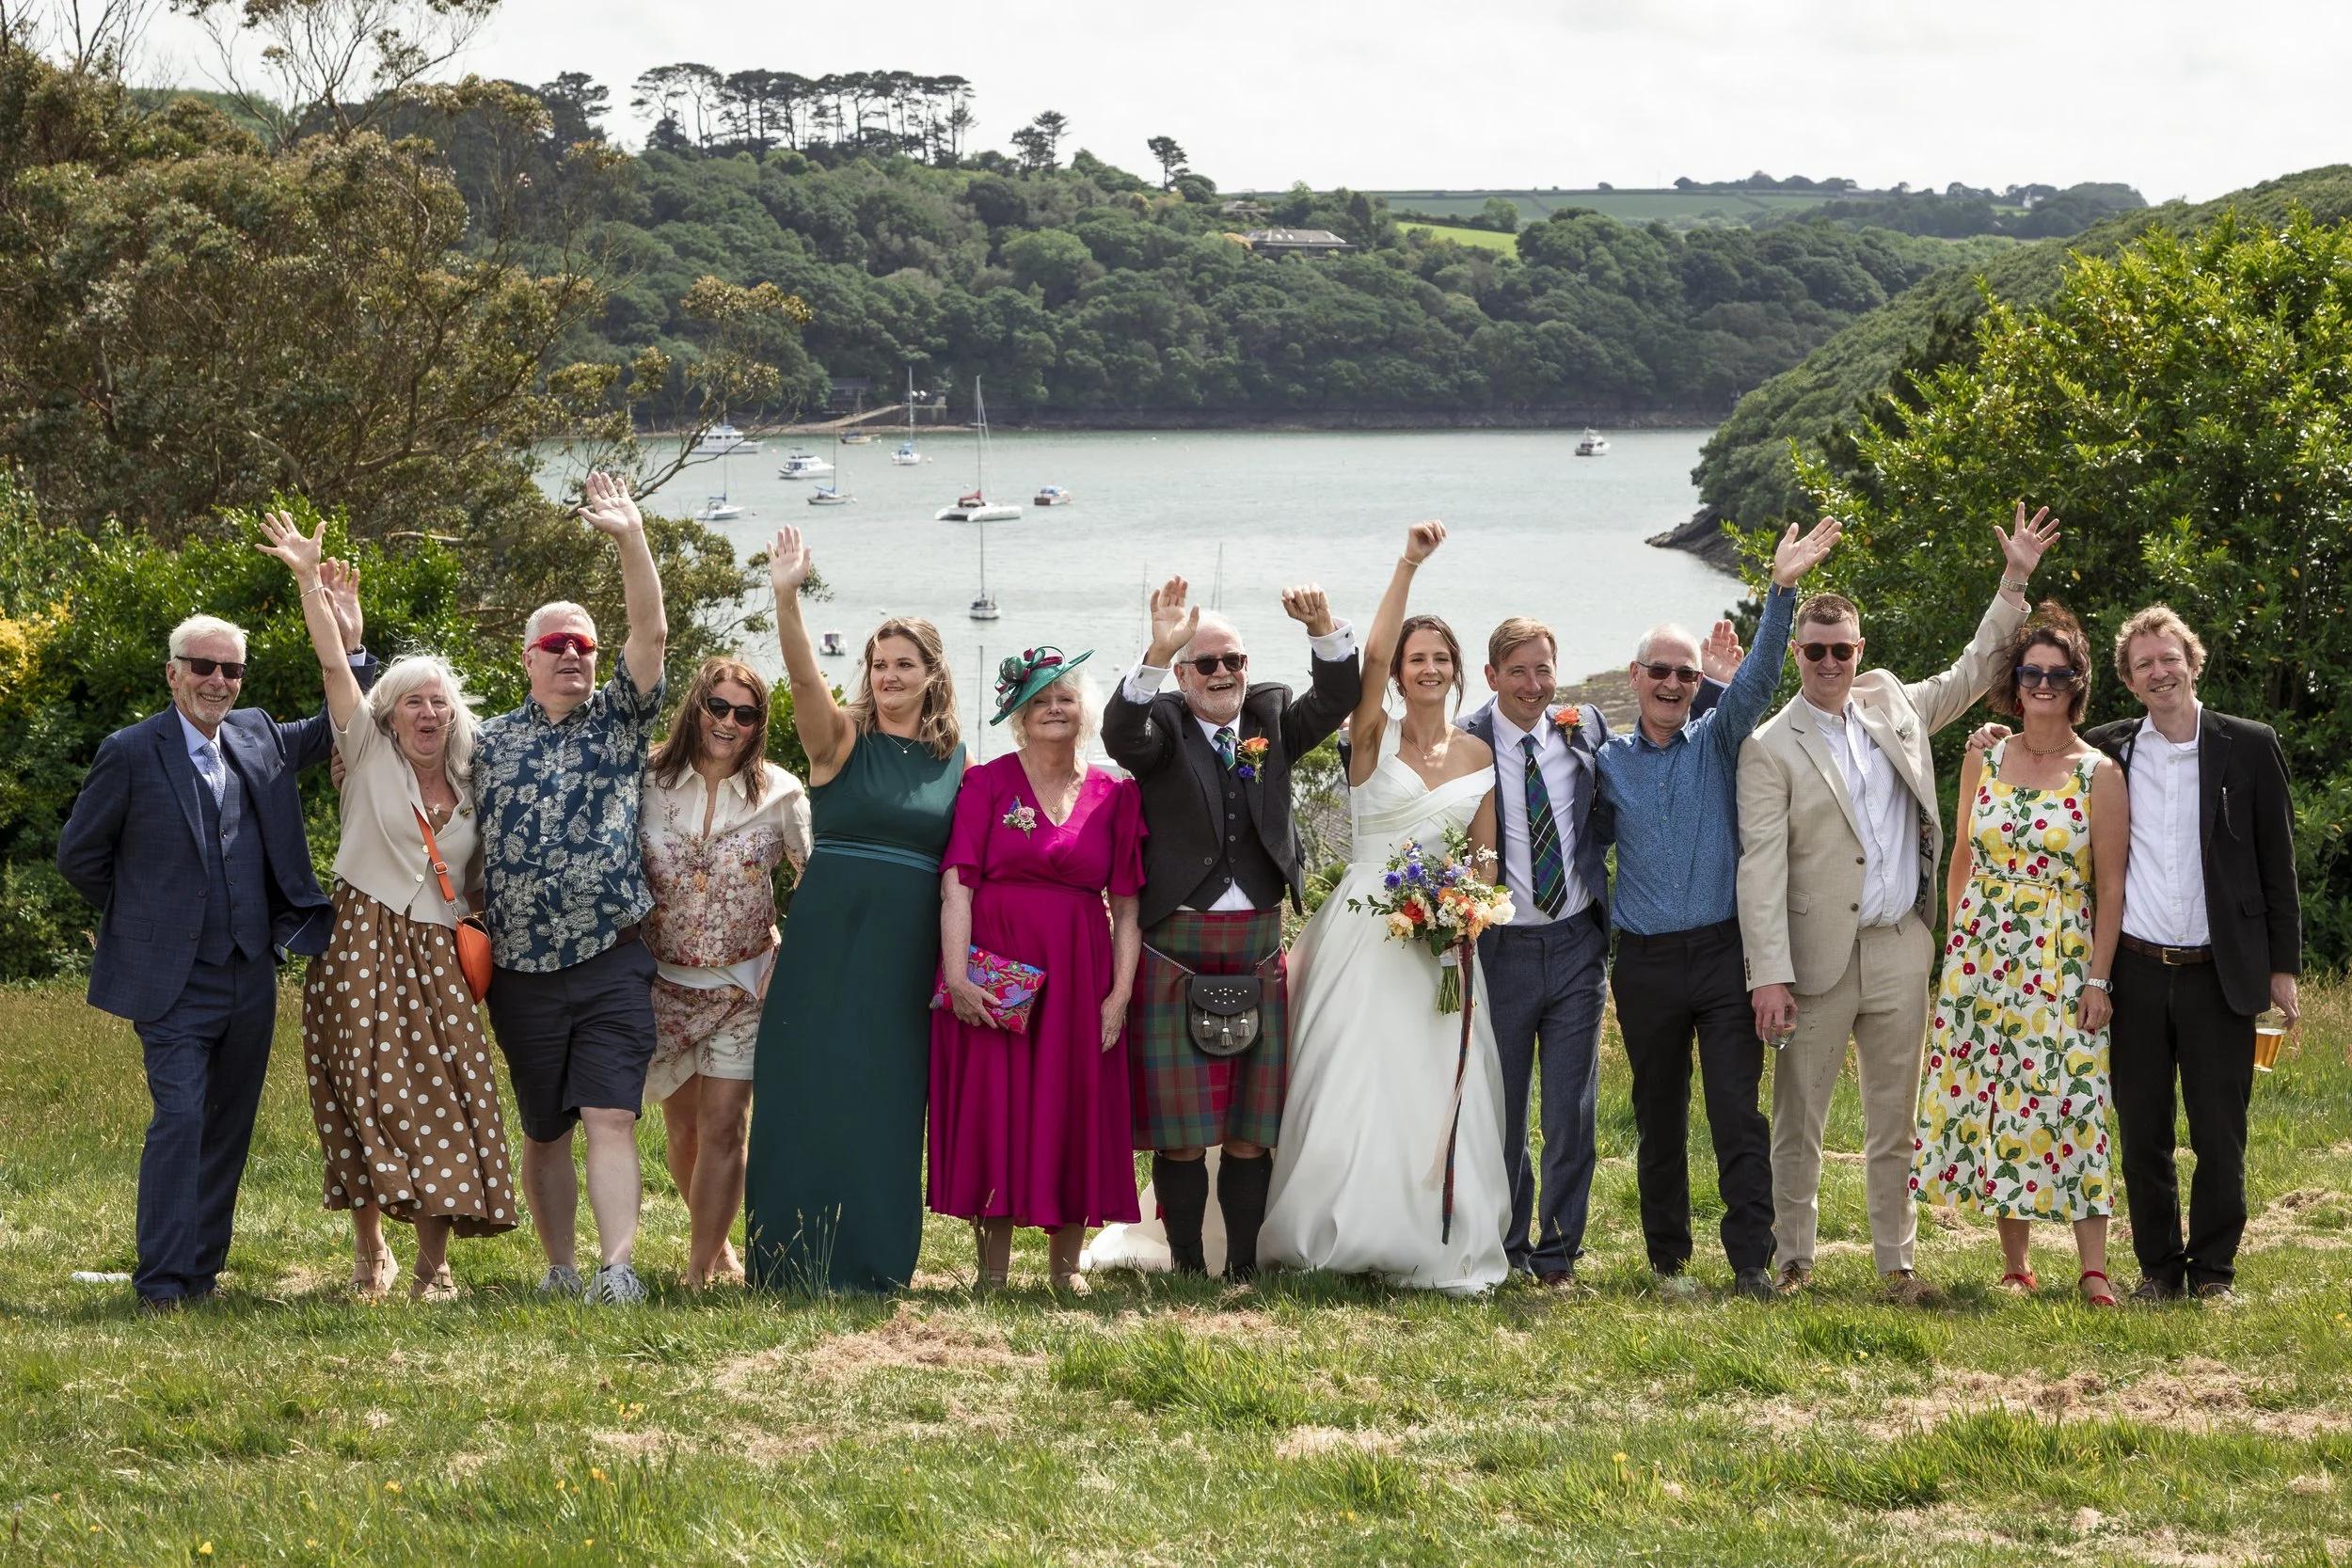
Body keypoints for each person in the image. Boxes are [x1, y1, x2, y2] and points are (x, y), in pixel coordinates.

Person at [1736, 504, 2057, 1304]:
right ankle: (1795, 1261)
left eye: (1842, 649)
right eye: (1814, 650)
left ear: (1860, 651)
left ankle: (1896, 1266)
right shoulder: (1770, 745)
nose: (1829, 662)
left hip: (1899, 943)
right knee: (1798, 1119)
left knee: (1895, 1118)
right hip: (1811, 957)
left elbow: (1977, 669)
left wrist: (2015, 578)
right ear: (1799, 655)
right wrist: (1766, 975)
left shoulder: (1893, 705)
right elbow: (1760, 869)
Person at [56, 587, 377, 1315]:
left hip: (249, 975)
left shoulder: (259, 733)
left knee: (228, 1123)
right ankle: (161, 1283)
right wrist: (143, 916)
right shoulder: (131, 751)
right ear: (173, 673)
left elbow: (342, 723)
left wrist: (351, 652)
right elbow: (79, 856)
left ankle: (200, 1271)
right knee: (180, 1117)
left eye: (231, 670)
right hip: (170, 981)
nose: (218, 681)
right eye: (203, 666)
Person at [1975, 607, 2301, 1302]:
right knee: (2142, 1133)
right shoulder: (2109, 751)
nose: (2160, 671)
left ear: (2193, 659)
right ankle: (2158, 1270)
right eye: (2144, 663)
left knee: (2221, 1135)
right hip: (2136, 971)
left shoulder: (2247, 745)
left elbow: (2279, 863)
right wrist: (1997, 733)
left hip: (2222, 973)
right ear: (2127, 678)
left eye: (2169, 657)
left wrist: (2284, 968)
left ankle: (2212, 1272)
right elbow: (2044, 745)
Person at [249, 512, 516, 1300]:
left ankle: (434, 1267)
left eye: (439, 703)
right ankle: (371, 1249)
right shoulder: (364, 755)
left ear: (453, 713)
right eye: (412, 704)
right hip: (358, 940)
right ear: (390, 715)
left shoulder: (474, 787)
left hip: (437, 954)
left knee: (448, 1094)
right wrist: (308, 579)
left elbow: (475, 885)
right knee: (357, 1090)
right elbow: (335, 667)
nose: (428, 714)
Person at [1259, 522, 1513, 1293]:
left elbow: (1485, 852)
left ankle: (1430, 1232)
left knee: (1434, 1082)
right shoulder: (1371, 736)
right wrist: (1406, 565)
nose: (1428, 668)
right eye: (1416, 659)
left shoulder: (1478, 756)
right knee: (1354, 1075)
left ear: (1457, 672)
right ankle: (1336, 1226)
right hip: (1368, 926)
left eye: (1440, 658)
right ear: (1399, 675)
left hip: (1442, 942)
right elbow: (1363, 658)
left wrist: (1470, 906)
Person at [1597, 515, 1840, 1302]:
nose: (1672, 684)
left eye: (1684, 674)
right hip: (1645, 964)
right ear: (1634, 677)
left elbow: (1766, 675)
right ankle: (1668, 1261)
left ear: (1699, 681)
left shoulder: (1722, 737)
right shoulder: (1604, 764)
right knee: (1658, 1116)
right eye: (1659, 672)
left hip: (1721, 954)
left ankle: (1751, 1263)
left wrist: (1782, 590)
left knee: (1737, 1113)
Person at [1104, 570, 1361, 1282]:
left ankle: (1243, 1265)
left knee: (1252, 1132)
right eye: (1207, 663)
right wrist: (1155, 649)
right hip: (1175, 948)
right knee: (1182, 1137)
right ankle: (1188, 1262)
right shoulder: (1160, 722)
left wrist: (1322, 629)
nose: (1224, 673)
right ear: (1184, 673)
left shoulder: (1272, 718)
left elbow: (1341, 694)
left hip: (1253, 945)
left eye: (1235, 661)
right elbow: (1119, 735)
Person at [1458, 620, 1729, 1288]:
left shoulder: (1585, 731)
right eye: (1518, 671)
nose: (1533, 684)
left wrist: (1717, 678)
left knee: (1571, 1112)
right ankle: (1508, 1242)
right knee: (1505, 1109)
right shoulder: (1465, 742)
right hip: (1503, 947)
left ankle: (1558, 1255)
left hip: (1579, 942)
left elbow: (1678, 737)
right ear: (1492, 676)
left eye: (1544, 669)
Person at [746, 526, 964, 1293]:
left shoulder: (955, 763)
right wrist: (787, 596)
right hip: (828, 937)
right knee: (806, 1084)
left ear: (932, 674)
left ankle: (875, 1261)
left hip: (905, 951)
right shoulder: (839, 742)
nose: (890, 675)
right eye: (879, 664)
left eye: (905, 664)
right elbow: (805, 683)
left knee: (887, 1098)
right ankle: (787, 1260)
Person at [473, 470, 668, 1307]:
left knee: (611, 1115)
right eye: (555, 646)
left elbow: (650, 632)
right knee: (544, 1127)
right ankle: (559, 1267)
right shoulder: (482, 743)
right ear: (526, 659)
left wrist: (630, 538)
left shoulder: (621, 719)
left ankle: (617, 1270)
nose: (571, 657)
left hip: (611, 958)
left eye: (583, 647)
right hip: (519, 968)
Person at [1912, 605, 2127, 1305]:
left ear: (2076, 683)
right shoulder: (1986, 752)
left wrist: (2099, 975)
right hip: (1983, 952)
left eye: (2056, 674)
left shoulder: (2099, 773)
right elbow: (1962, 854)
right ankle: (2015, 1263)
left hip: (2060, 953)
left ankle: (2093, 1266)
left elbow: (2112, 882)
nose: (2042, 683)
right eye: (2031, 672)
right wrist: (1954, 949)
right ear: (2015, 680)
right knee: (2002, 1097)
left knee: (2072, 1096)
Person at [931, 647, 1144, 1292]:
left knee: (1074, 1103)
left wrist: (1120, 996)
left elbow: (1129, 906)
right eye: (1040, 701)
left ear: (1084, 711)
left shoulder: (1117, 792)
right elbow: (957, 884)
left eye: (1065, 698)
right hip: (998, 969)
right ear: (1020, 717)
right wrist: (959, 975)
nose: (1054, 709)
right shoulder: (986, 781)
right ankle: (991, 1272)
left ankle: (1064, 1269)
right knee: (996, 1105)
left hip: (1082, 974)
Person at [640, 657, 810, 1289]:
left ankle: (697, 1269)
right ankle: (716, 1247)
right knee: (682, 1130)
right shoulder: (646, 780)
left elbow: (811, 877)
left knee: (724, 1124)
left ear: (759, 724)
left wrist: (787, 954)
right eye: (718, 706)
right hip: (663, 985)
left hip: (745, 986)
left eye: (746, 713)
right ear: (696, 706)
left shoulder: (783, 794)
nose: (728, 722)